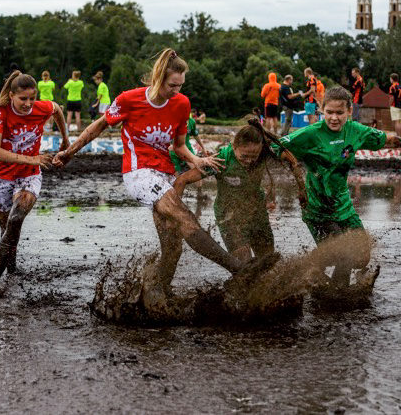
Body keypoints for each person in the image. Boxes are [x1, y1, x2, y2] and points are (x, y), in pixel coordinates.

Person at [53, 49, 273, 301]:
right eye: (172, 85)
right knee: (184, 215)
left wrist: (196, 159)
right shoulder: (129, 100)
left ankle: (156, 294)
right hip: (138, 173)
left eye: (180, 85)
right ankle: (239, 269)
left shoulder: (181, 104)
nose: (176, 91)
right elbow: (99, 125)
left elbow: (179, 146)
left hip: (165, 174)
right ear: (158, 77)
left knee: (172, 246)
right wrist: (70, 152)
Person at [271, 86, 401, 288]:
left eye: (339, 113)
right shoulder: (310, 134)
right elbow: (274, 147)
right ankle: (338, 295)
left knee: (362, 257)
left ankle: (314, 267)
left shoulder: (356, 131)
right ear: (321, 110)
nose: (334, 118)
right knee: (345, 253)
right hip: (317, 208)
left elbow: (386, 140)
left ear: (349, 111)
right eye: (329, 112)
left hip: (343, 206)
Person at [174, 118, 307, 263]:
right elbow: (182, 180)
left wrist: (302, 190)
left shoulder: (265, 152)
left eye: (253, 157)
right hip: (229, 217)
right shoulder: (222, 160)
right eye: (244, 156)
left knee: (267, 261)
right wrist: (175, 215)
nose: (249, 161)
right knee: (245, 266)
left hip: (257, 213)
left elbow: (292, 160)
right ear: (233, 146)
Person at [0, 71, 70, 291]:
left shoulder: (41, 108)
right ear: (12, 95)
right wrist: (31, 157)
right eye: (23, 99)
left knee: (15, 219)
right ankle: (11, 266)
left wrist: (65, 139)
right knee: (7, 228)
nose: (28, 104)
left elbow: (57, 109)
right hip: (2, 176)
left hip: (29, 175)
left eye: (32, 98)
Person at [169, 109, 208, 175]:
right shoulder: (171, 120)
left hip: (187, 149)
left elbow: (196, 135)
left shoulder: (191, 121)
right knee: (175, 175)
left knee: (197, 170)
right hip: (173, 150)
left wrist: (203, 148)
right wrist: (168, 146)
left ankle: (201, 185)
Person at [388, 73, 401, 137]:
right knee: (399, 122)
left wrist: (389, 104)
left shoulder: (392, 87)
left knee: (396, 122)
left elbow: (392, 98)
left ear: (392, 79)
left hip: (395, 105)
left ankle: (398, 137)